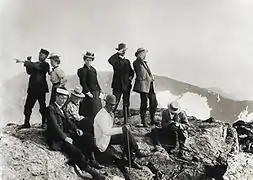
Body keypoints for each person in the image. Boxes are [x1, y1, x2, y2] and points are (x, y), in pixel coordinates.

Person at [46, 88, 104, 179]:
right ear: (56, 97)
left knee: (88, 137)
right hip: (58, 139)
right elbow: (54, 126)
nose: (63, 100)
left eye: (65, 98)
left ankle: (91, 160)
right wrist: (65, 138)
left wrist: (76, 129)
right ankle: (92, 173)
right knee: (77, 152)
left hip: (66, 134)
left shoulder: (62, 108)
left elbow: (68, 121)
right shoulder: (51, 108)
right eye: (61, 98)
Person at [93, 94, 147, 170]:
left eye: (114, 105)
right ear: (106, 103)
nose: (112, 107)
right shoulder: (102, 115)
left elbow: (110, 128)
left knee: (126, 136)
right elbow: (106, 131)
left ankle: (131, 159)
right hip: (102, 140)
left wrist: (122, 129)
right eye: (110, 105)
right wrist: (122, 129)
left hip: (107, 137)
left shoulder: (109, 113)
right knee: (125, 133)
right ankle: (136, 152)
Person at [65, 86, 103, 169]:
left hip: (77, 122)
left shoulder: (77, 104)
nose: (78, 99)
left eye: (79, 98)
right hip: (72, 124)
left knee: (89, 125)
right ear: (73, 96)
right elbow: (76, 117)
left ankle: (94, 155)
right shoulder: (70, 105)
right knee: (88, 123)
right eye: (76, 97)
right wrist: (83, 118)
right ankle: (92, 159)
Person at [17, 49, 50, 128]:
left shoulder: (46, 65)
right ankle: (26, 123)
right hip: (33, 88)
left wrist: (25, 62)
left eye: (41, 55)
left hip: (41, 89)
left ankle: (44, 123)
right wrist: (28, 63)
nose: (39, 56)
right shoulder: (36, 64)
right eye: (39, 54)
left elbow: (37, 67)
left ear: (45, 57)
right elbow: (29, 72)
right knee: (28, 106)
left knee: (42, 107)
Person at [108, 43, 134, 124]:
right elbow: (110, 60)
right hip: (117, 85)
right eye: (122, 50)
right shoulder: (115, 60)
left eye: (124, 50)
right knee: (114, 102)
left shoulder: (127, 61)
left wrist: (130, 78)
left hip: (126, 85)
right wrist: (118, 53)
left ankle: (126, 121)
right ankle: (110, 119)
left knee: (126, 103)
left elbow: (131, 72)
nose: (124, 52)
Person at [132, 48, 159, 127]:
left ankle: (152, 119)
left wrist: (151, 77)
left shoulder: (144, 62)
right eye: (144, 53)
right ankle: (143, 121)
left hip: (150, 85)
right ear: (140, 54)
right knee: (144, 103)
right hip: (143, 86)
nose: (145, 55)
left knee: (154, 102)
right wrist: (139, 57)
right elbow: (140, 72)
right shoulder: (137, 62)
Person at [77, 51, 102, 120]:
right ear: (84, 60)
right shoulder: (82, 70)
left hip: (96, 92)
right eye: (87, 60)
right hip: (89, 92)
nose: (89, 62)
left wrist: (100, 90)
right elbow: (83, 82)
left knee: (98, 108)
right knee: (91, 110)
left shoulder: (93, 69)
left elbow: (96, 81)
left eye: (90, 60)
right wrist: (88, 92)